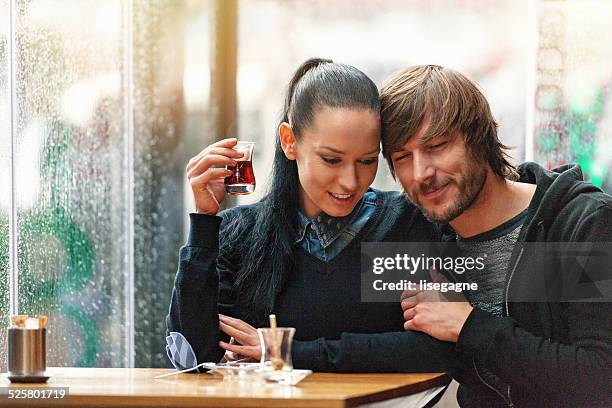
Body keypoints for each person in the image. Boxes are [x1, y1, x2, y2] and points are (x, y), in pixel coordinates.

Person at [165, 58, 454, 379]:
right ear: (289, 141)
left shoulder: (408, 225)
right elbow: (190, 356)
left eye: (367, 160)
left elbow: (436, 350)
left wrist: (285, 351)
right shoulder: (241, 234)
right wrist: (204, 221)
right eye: (331, 159)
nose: (350, 181)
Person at [380, 64, 612, 407]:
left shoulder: (583, 224)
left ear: (479, 139)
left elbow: (600, 379)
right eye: (402, 157)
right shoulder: (425, 236)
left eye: (437, 146)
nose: (421, 173)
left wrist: (468, 325)